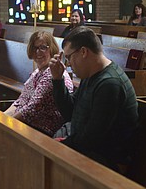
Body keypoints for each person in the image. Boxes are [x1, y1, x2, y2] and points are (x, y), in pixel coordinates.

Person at [49, 26, 138, 172]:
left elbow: (91, 138)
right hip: (90, 150)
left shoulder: (110, 83)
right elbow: (71, 114)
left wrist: (60, 144)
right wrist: (57, 80)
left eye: (69, 57)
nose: (68, 64)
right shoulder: (90, 74)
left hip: (108, 161)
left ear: (83, 52)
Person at [4, 31, 73, 137]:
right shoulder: (37, 72)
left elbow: (31, 109)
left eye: (43, 47)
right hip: (30, 123)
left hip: (44, 131)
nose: (38, 52)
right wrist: (2, 117)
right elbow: (21, 100)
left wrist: (6, 123)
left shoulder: (52, 74)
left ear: (51, 49)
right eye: (35, 48)